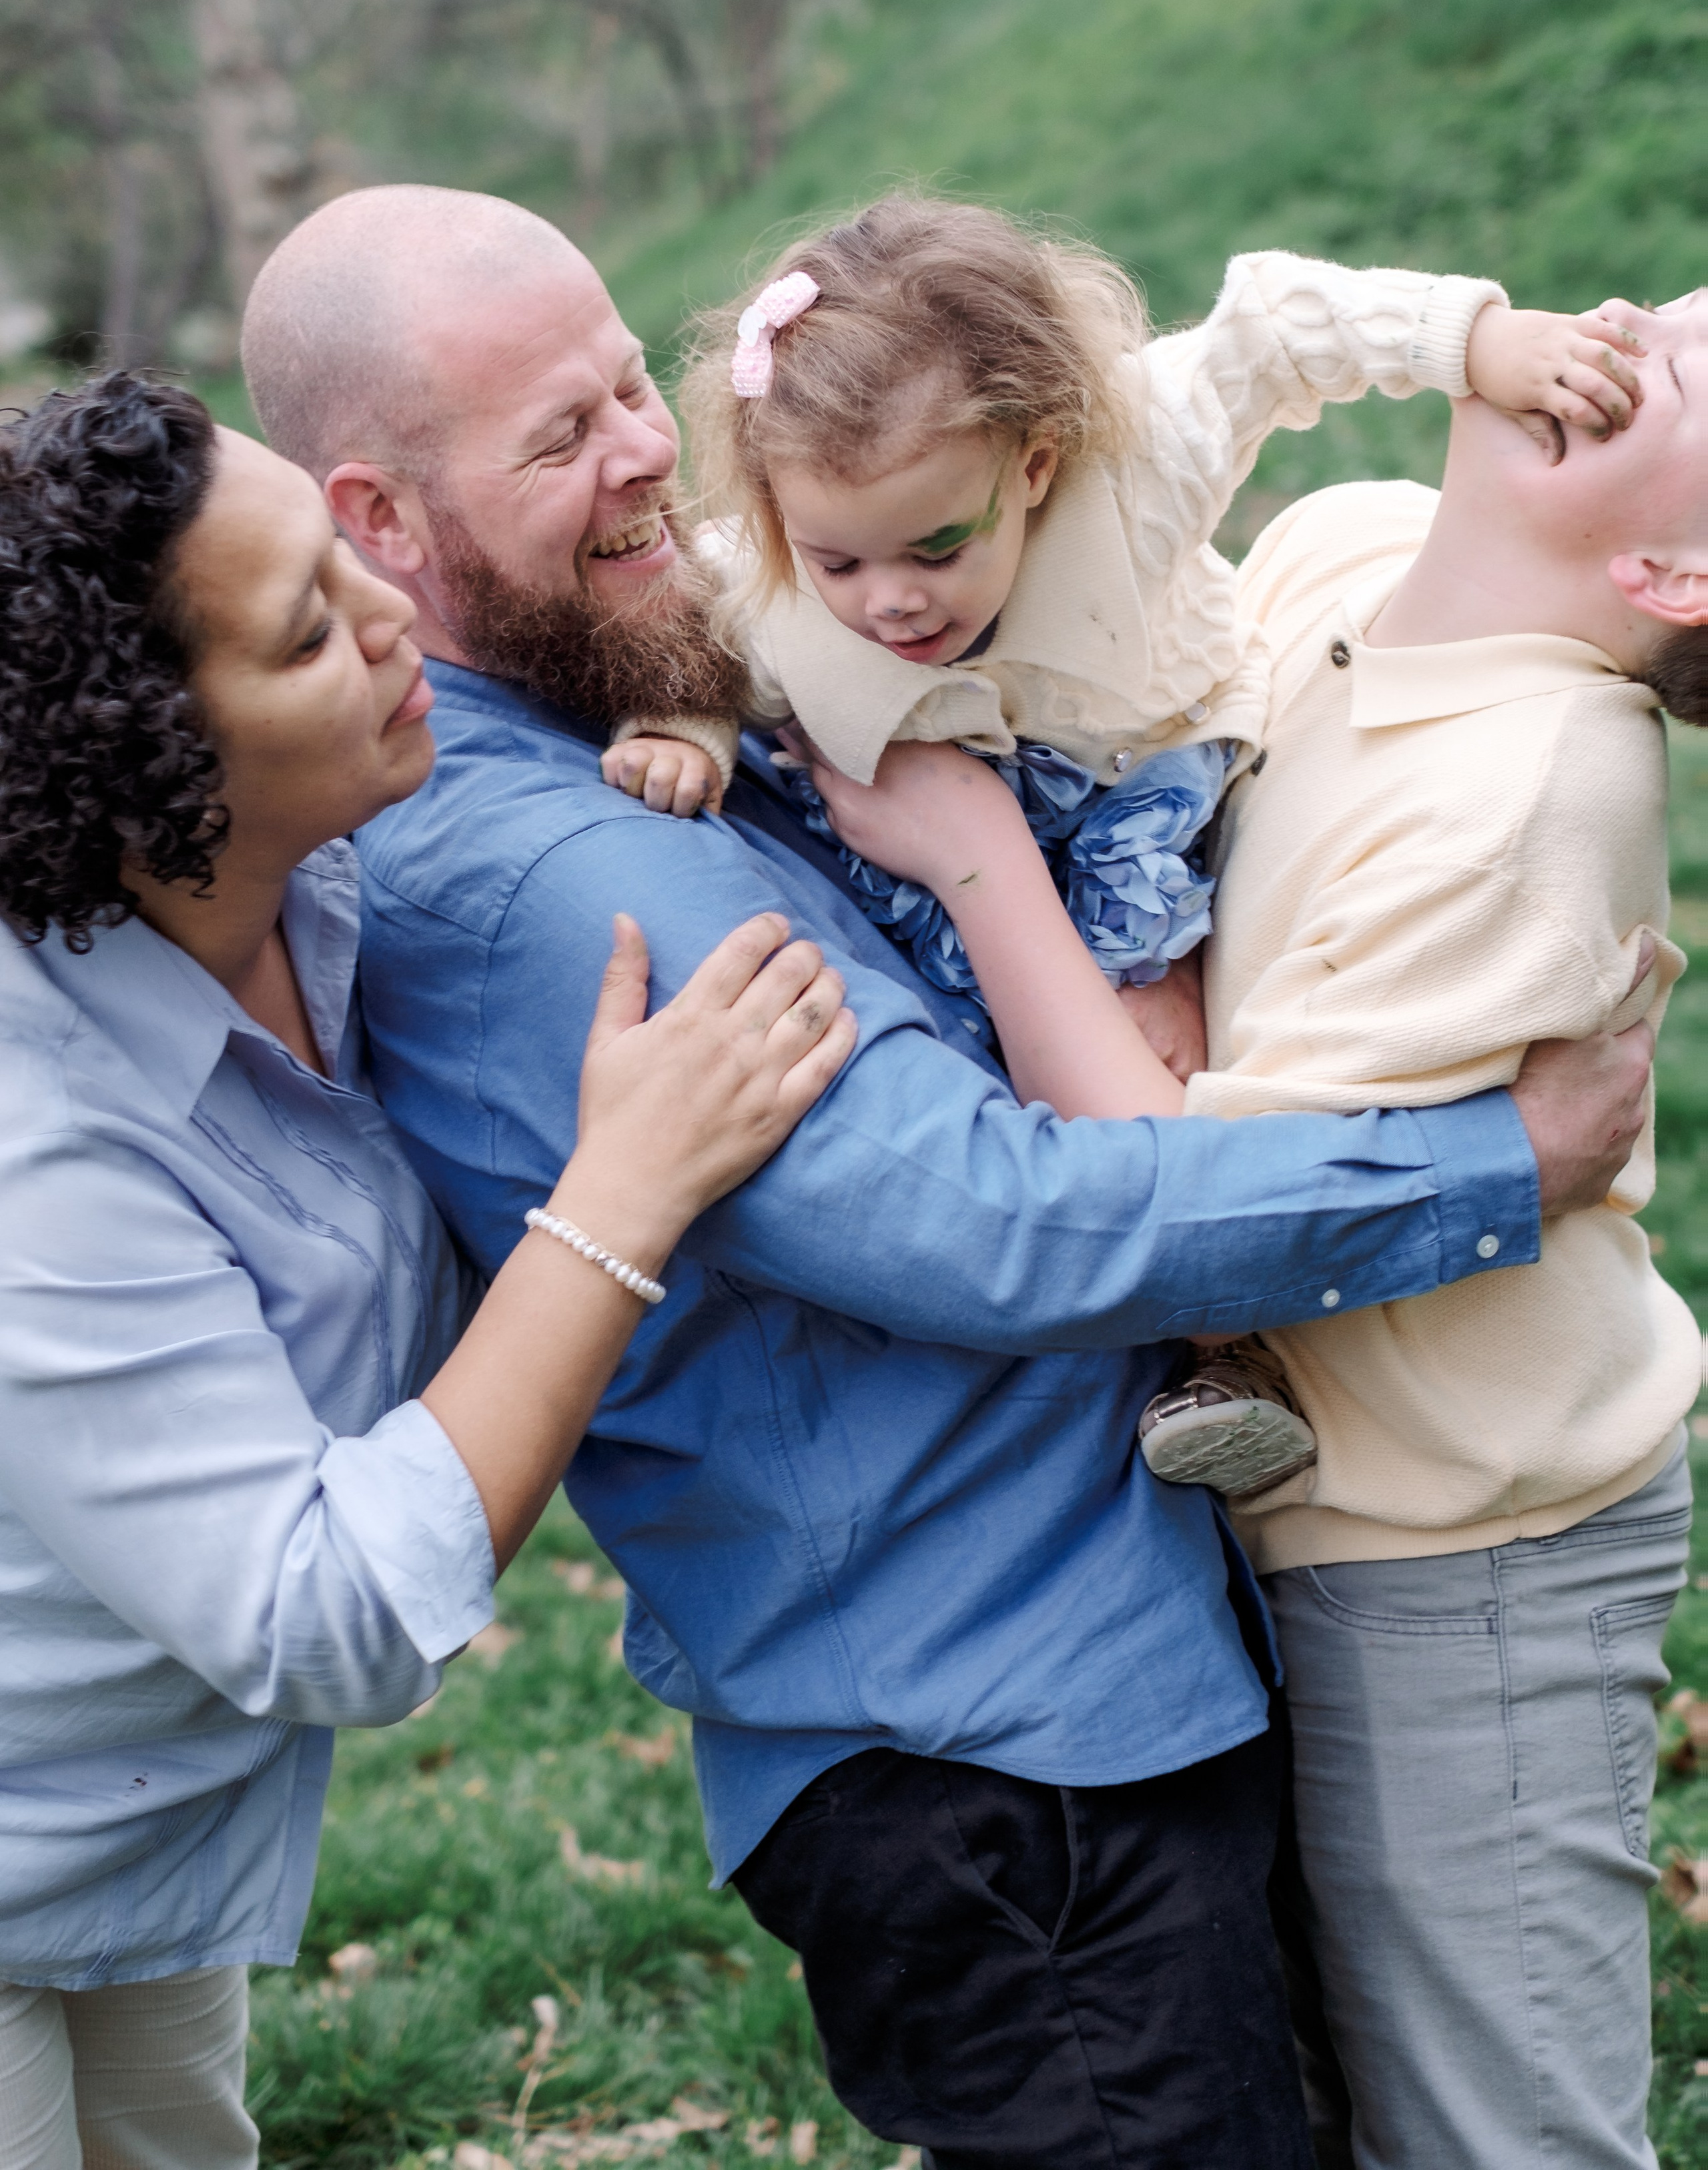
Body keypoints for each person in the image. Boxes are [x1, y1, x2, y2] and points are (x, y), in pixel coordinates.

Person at [240, 182, 1653, 2170]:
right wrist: (1490, 1161)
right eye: (559, 441)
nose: (649, 453)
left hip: (1077, 1715)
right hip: (994, 1776)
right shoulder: (559, 879)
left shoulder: (617, 720)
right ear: (382, 519)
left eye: (632, 383)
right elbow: (985, 1217)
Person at [802, 291, 1708, 2170]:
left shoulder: (1530, 789)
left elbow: (1186, 1208)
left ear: (1675, 573)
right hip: (1297, 1506)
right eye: (1675, 311)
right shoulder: (1344, 544)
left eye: (1698, 372)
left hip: (1467, 1550)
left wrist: (972, 857)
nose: (1641, 327)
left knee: (1492, 2129)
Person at [0, 374, 853, 2170]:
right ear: (147, 778)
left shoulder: (312, 884)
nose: (398, 621)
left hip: (124, 1824)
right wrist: (624, 1191)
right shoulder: (35, 1140)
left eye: (338, 548)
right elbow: (317, 1608)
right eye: (313, 629)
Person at [605, 193, 1648, 1492]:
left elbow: (1272, 331)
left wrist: (1470, 342)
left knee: (1160, 1045)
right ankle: (1124, 1353)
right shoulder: (766, 573)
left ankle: (1224, 1352)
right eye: (842, 562)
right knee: (1000, 1077)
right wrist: (682, 732)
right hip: (925, 826)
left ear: (1033, 463)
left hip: (1132, 781)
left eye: (938, 544)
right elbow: (687, 627)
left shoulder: (1134, 471)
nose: (892, 599)